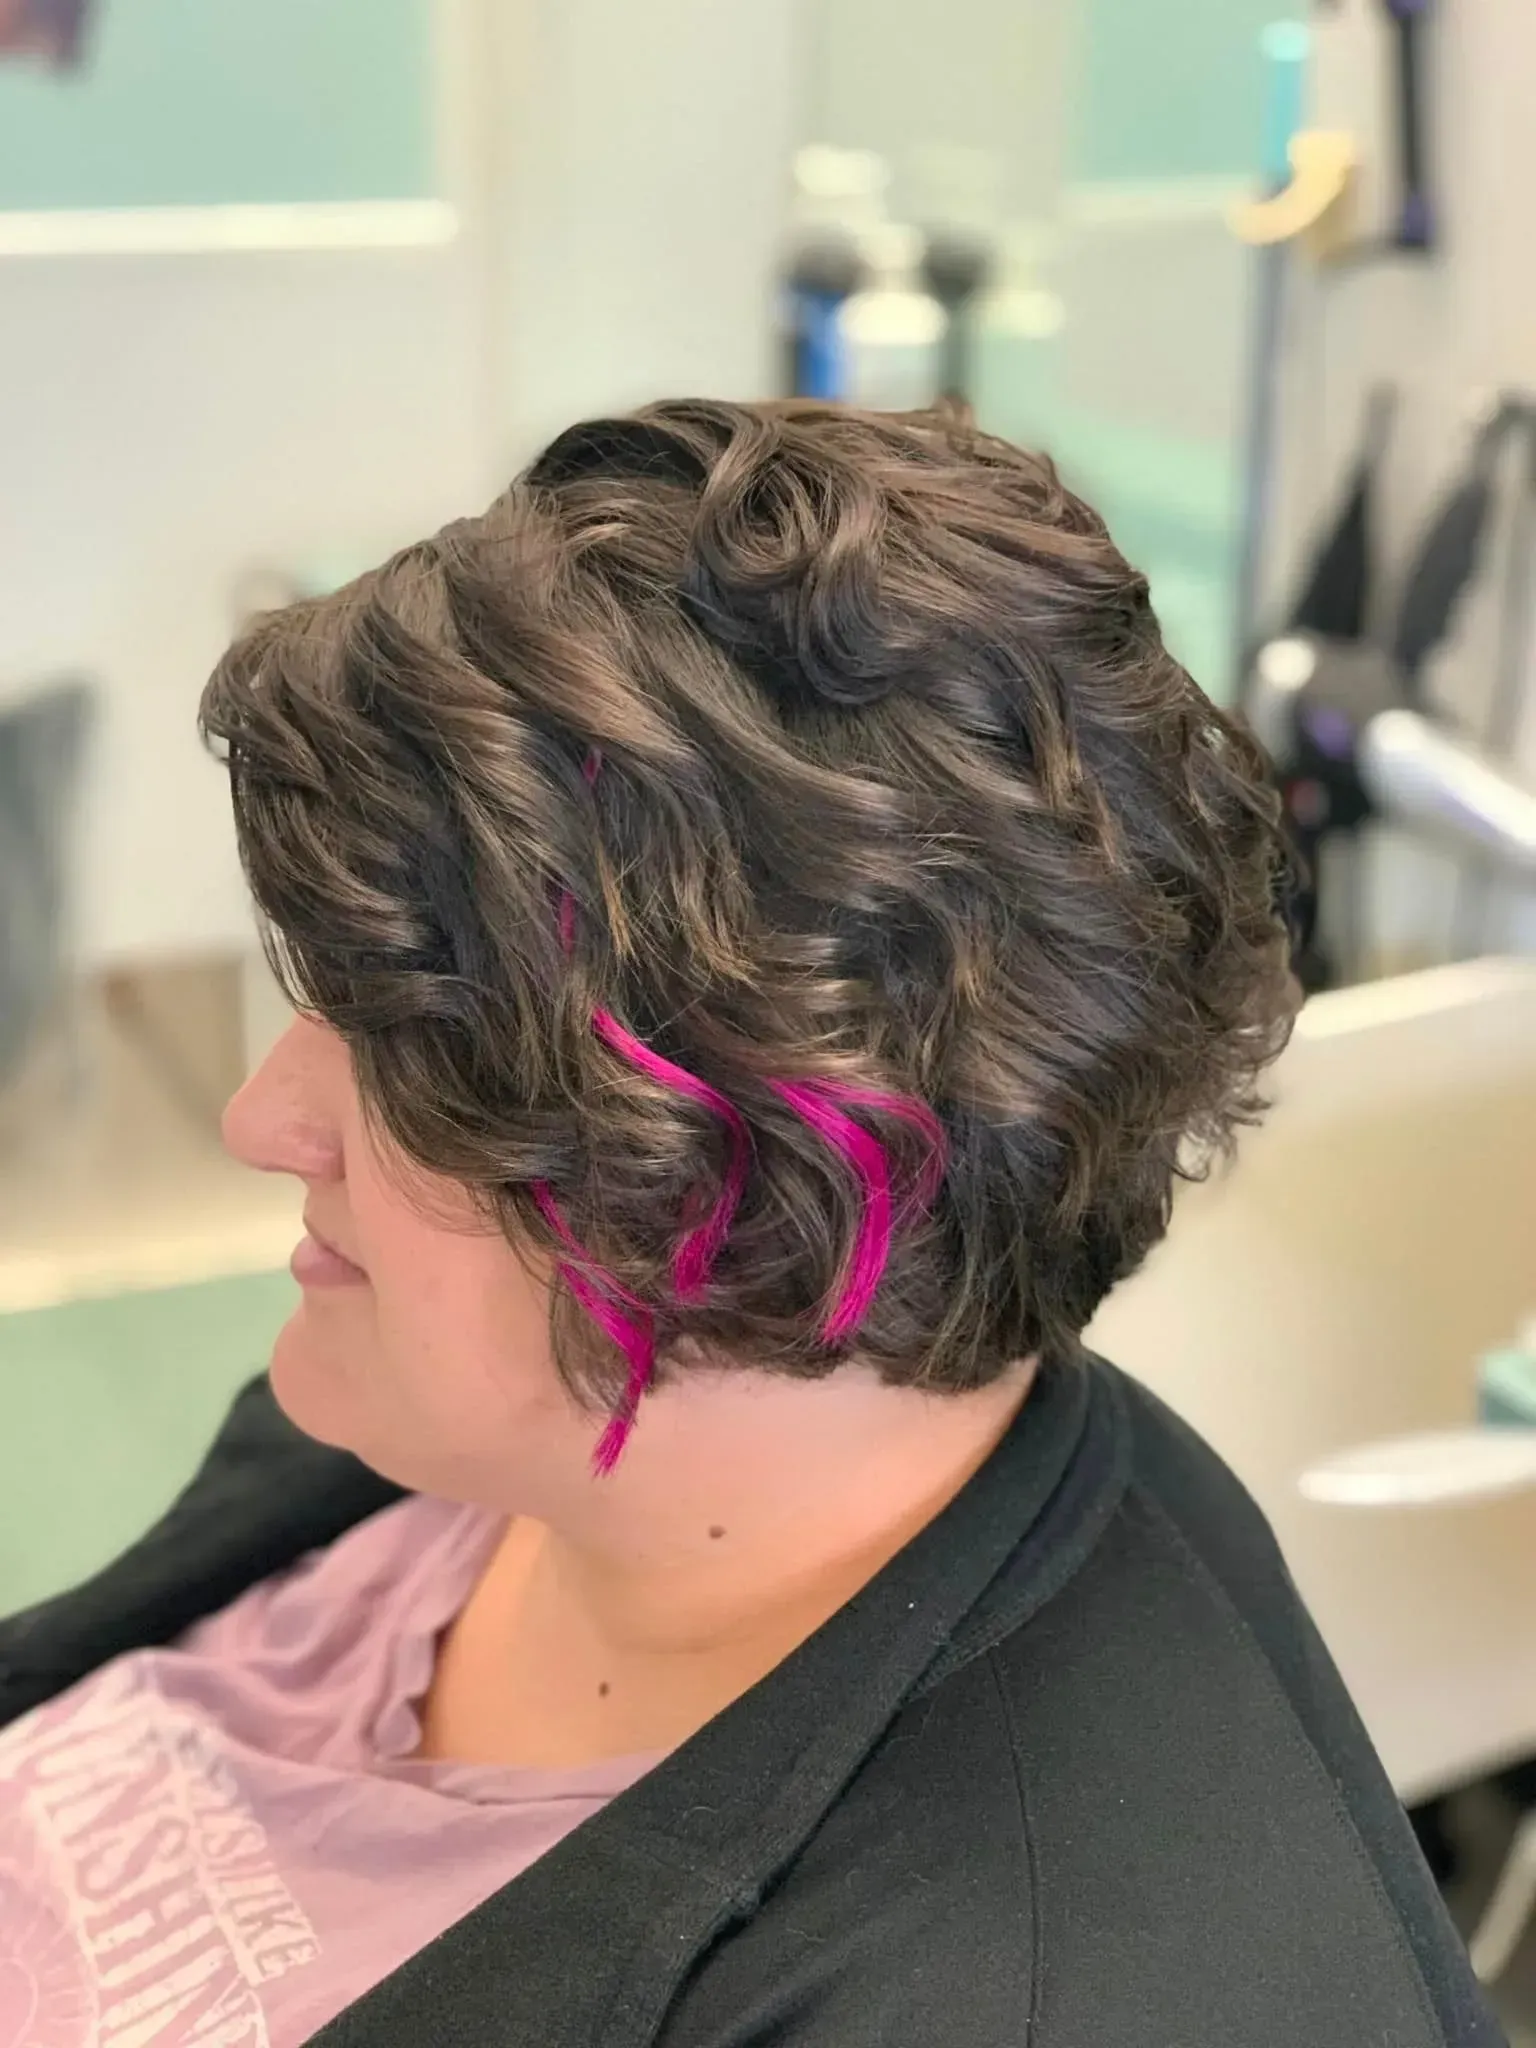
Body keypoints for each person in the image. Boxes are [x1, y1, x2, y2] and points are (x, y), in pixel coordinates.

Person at [0, 401, 1501, 2047]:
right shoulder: (452, 1426)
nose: (260, 1122)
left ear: (757, 1181)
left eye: (401, 1041)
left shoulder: (1002, 1991)